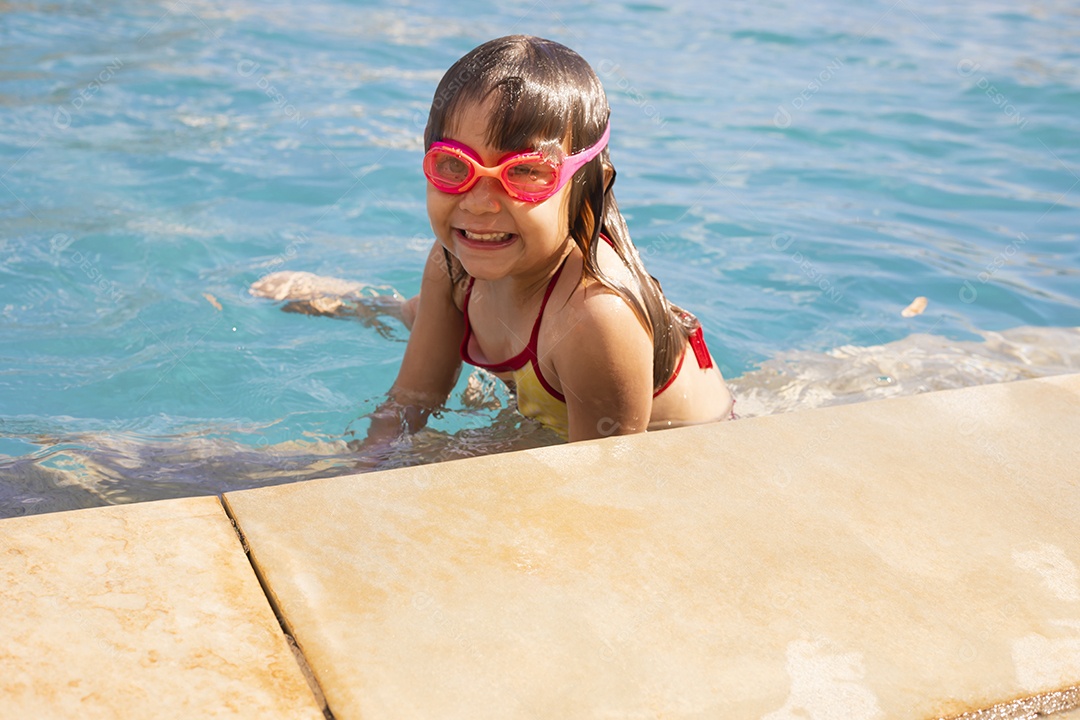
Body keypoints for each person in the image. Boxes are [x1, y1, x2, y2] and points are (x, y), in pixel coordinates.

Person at [256, 35, 733, 448]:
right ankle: (373, 306)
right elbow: (412, 400)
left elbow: (602, 492)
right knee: (432, 318)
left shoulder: (595, 319)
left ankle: (402, 312)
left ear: (588, 184)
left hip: (678, 444)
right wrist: (360, 465)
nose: (480, 204)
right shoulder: (452, 260)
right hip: (543, 393)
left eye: (525, 172)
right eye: (453, 165)